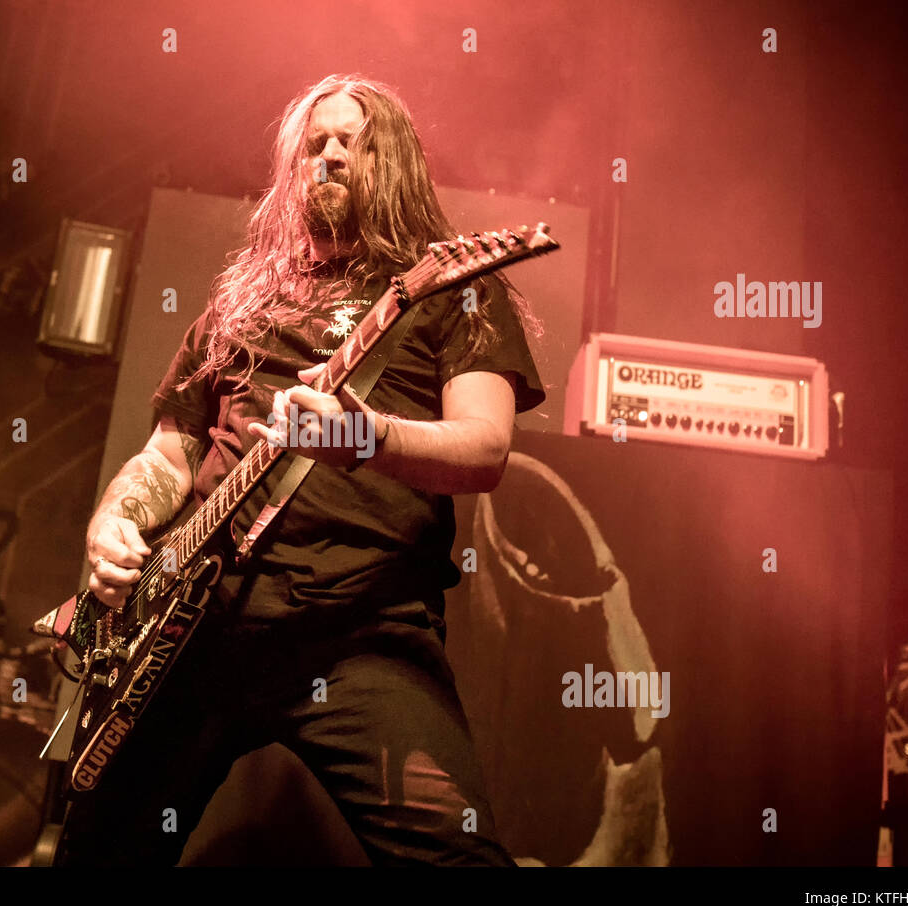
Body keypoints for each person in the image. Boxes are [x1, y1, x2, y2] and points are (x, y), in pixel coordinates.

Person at [59, 74, 545, 866]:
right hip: (194, 624)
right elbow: (172, 446)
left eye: (353, 140)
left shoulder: (455, 289)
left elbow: (486, 449)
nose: (329, 155)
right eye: (314, 143)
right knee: (98, 851)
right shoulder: (242, 300)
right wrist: (117, 519)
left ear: (398, 164)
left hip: (361, 628)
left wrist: (367, 437)